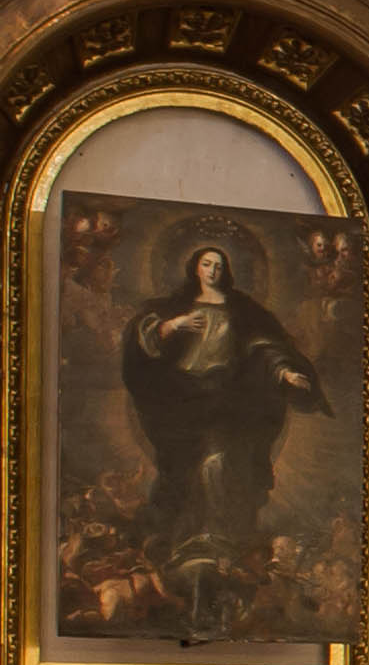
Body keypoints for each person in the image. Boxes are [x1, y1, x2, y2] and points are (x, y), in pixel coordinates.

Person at [117, 238, 323, 644]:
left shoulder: (242, 310)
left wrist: (284, 373)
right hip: (182, 398)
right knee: (187, 469)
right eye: (206, 264)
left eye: (218, 265)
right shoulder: (174, 307)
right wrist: (172, 326)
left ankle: (217, 539)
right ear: (194, 267)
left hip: (228, 398)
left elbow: (266, 347)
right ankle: (188, 542)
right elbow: (140, 342)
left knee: (220, 462)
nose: (212, 271)